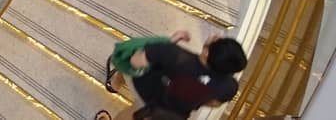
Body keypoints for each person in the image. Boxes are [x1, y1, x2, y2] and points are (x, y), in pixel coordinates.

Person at [94, 32, 245, 120]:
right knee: (137, 113)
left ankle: (115, 83)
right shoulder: (229, 87)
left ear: (207, 53)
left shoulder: (172, 54)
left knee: (128, 61)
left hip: (146, 92)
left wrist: (168, 43)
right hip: (173, 113)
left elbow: (135, 62)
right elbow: (214, 103)